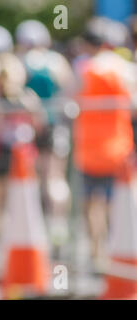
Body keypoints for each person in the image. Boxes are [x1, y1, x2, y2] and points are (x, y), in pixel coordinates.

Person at [73, 17, 136, 267]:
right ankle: (115, 252)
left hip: (88, 147)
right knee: (114, 202)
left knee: (90, 202)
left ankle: (96, 253)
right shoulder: (124, 68)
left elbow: (72, 101)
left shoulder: (84, 69)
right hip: (118, 147)